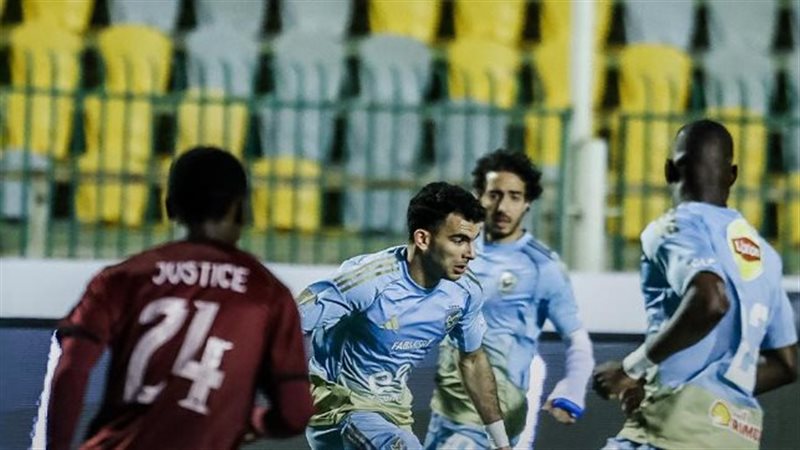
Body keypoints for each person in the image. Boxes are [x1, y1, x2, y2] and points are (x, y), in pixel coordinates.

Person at [32, 147, 313, 450]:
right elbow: (295, 414)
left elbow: (72, 368)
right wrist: (253, 420)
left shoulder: (121, 278)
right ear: (241, 208)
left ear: (170, 206)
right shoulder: (268, 294)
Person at [593, 119, 798, 450]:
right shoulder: (765, 255)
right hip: (736, 435)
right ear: (732, 176)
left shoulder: (674, 228)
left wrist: (631, 369)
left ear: (669, 170)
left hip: (672, 432)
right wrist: (715, 397)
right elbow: (786, 365)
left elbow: (711, 299)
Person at [299, 182, 513, 449]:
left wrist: (501, 443)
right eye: (459, 240)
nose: (471, 254)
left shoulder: (465, 292)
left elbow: (472, 359)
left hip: (394, 414)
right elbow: (286, 322)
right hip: (340, 408)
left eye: (473, 241)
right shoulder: (367, 281)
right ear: (423, 239)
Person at [424, 149, 595, 449]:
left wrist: (573, 390)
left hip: (494, 412)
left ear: (527, 203)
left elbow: (577, 340)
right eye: (494, 195)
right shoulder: (455, 251)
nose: (503, 206)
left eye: (515, 196)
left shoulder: (542, 266)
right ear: (478, 196)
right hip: (446, 410)